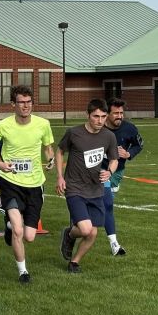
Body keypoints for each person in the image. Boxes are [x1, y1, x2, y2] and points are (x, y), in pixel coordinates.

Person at [0, 86, 54, 284]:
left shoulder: (43, 124)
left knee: (30, 236)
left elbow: (48, 147)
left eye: (29, 102)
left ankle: (8, 224)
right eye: (22, 102)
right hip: (10, 181)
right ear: (13, 104)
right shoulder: (3, 125)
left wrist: (50, 160)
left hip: (35, 183)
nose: (26, 106)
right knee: (18, 230)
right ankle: (23, 271)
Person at [56, 99, 119, 274]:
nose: (100, 121)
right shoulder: (74, 133)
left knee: (92, 233)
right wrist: (60, 177)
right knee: (84, 229)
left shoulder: (109, 136)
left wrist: (109, 172)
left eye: (103, 117)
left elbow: (114, 159)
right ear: (88, 115)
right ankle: (69, 235)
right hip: (75, 187)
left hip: (96, 189)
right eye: (96, 116)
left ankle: (74, 262)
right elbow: (60, 151)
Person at [102, 98, 144, 256]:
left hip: (116, 172)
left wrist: (128, 153)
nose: (119, 116)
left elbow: (140, 144)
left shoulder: (129, 129)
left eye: (121, 113)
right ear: (107, 114)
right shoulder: (98, 127)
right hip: (98, 171)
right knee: (105, 204)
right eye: (115, 113)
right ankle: (114, 244)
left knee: (106, 204)